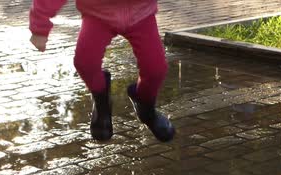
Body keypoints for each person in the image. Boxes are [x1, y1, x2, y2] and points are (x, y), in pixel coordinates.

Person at [29, 0, 175, 142]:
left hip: (142, 15)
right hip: (97, 15)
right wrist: (39, 26)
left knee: (156, 69)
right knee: (85, 62)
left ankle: (146, 109)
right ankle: (101, 105)